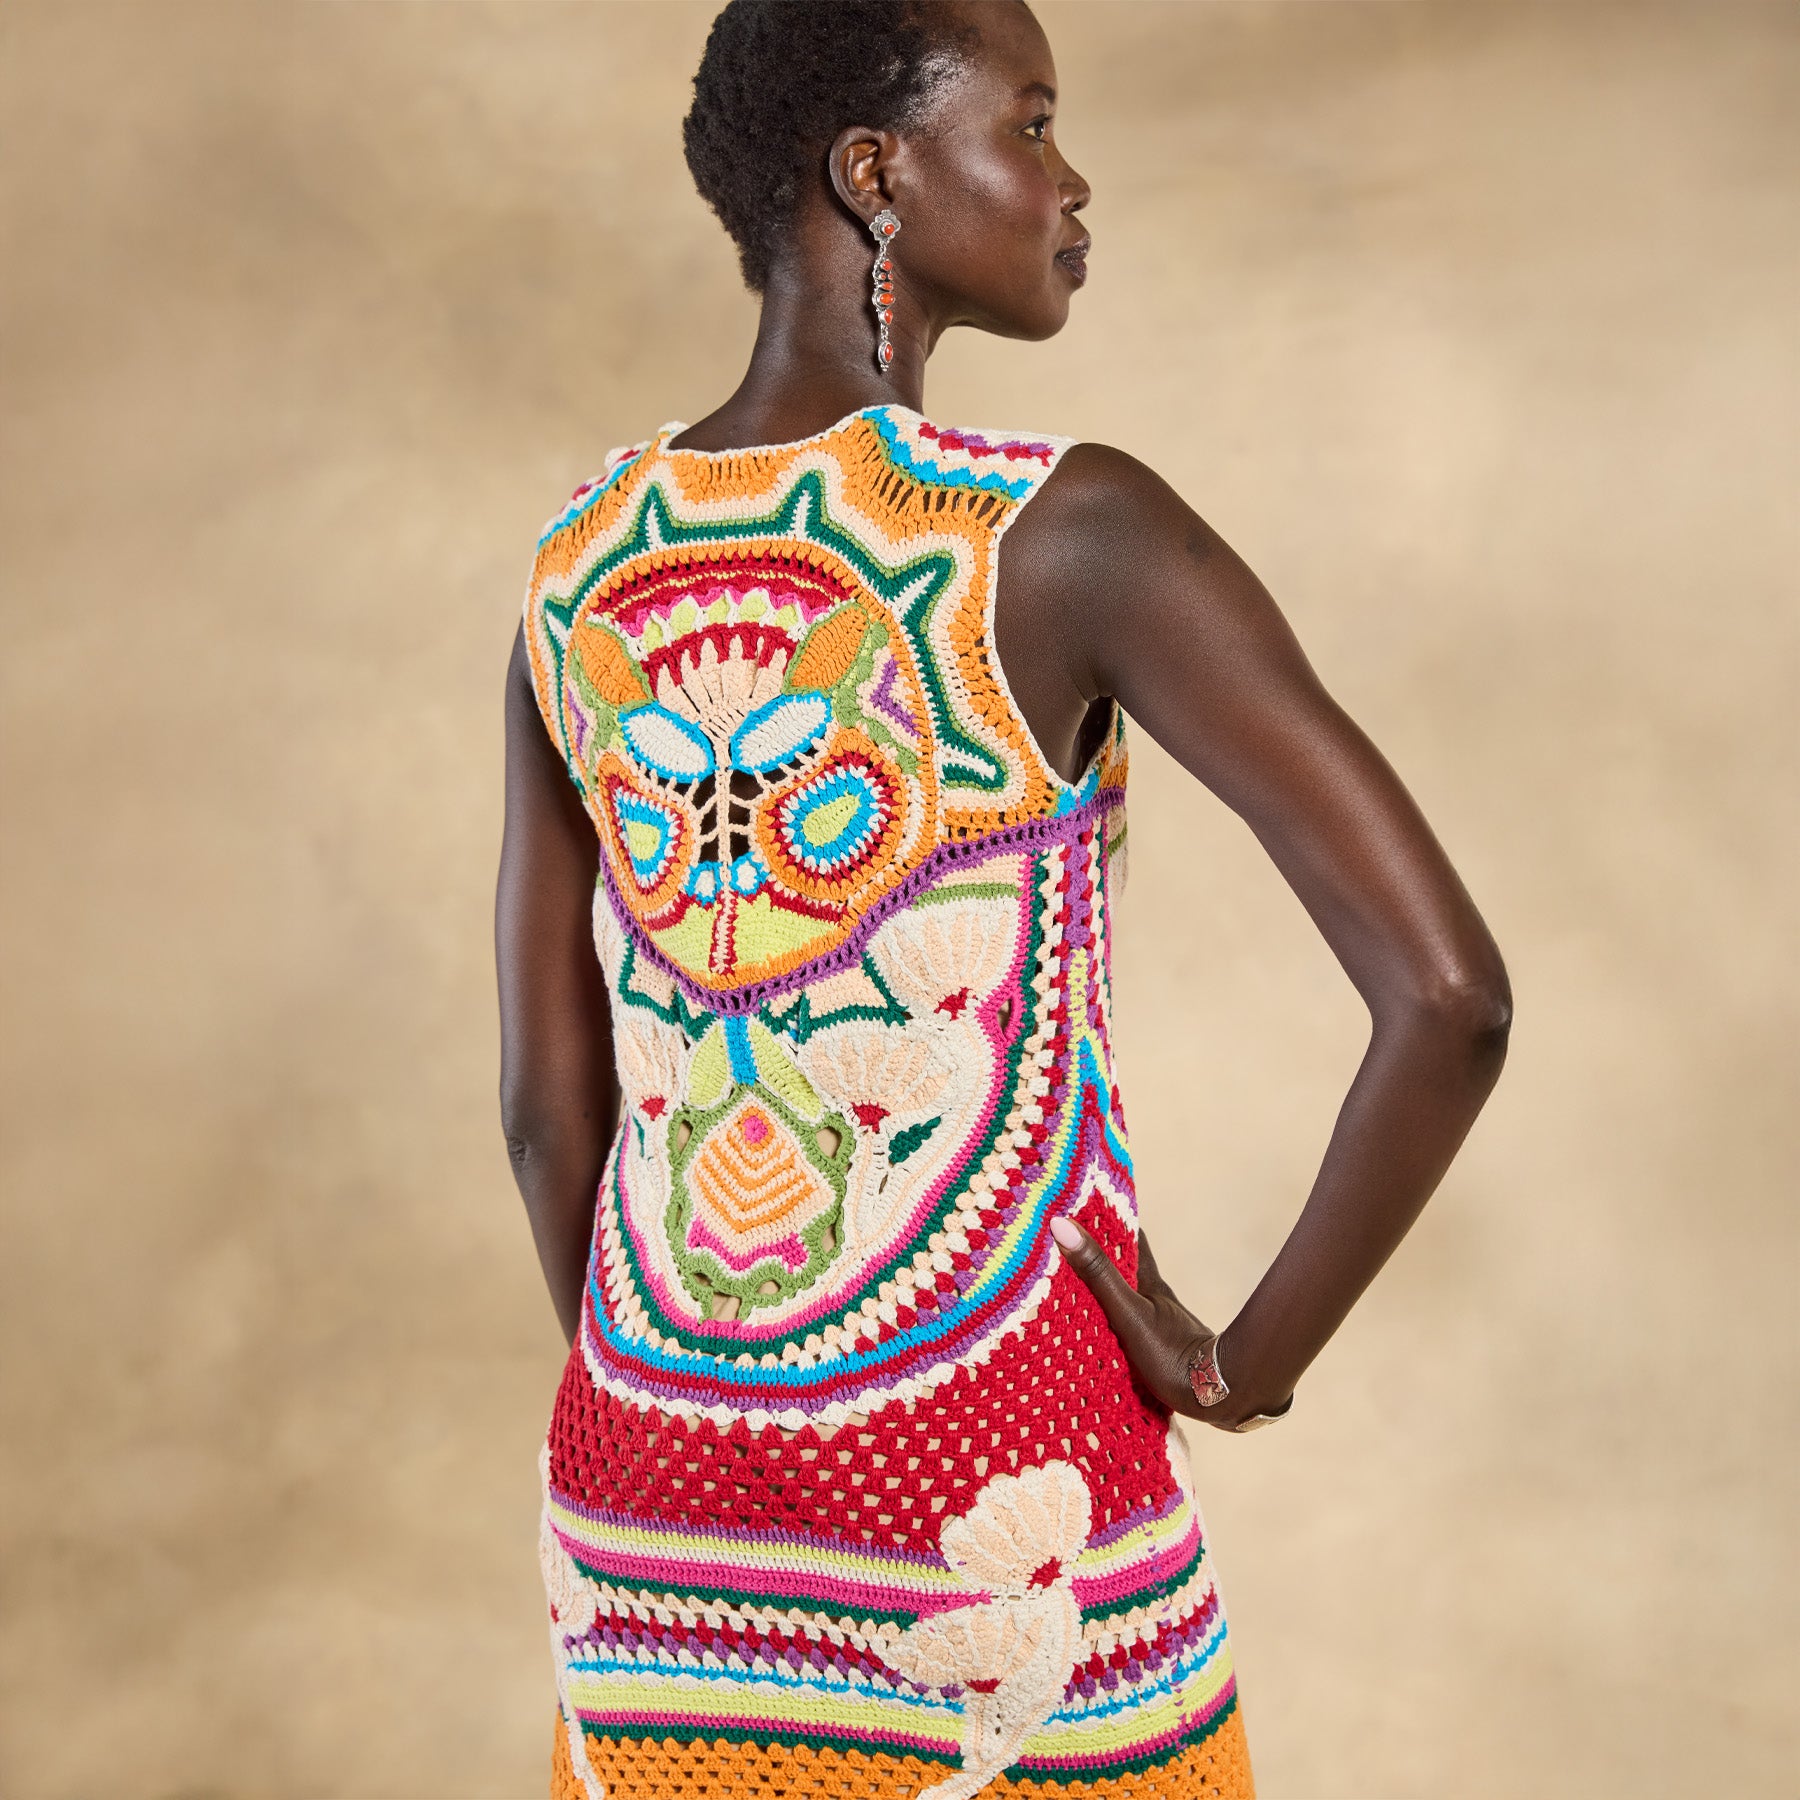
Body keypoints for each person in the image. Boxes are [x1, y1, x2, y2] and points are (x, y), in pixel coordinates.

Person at [496, 3, 1511, 1796]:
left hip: (648, 1513)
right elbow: (1450, 1000)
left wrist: (695, 1402)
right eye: (1032, 125)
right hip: (994, 1500)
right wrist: (1244, 1368)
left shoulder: (578, 566)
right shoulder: (1068, 536)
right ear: (873, 172)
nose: (1072, 180)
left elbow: (542, 1110)